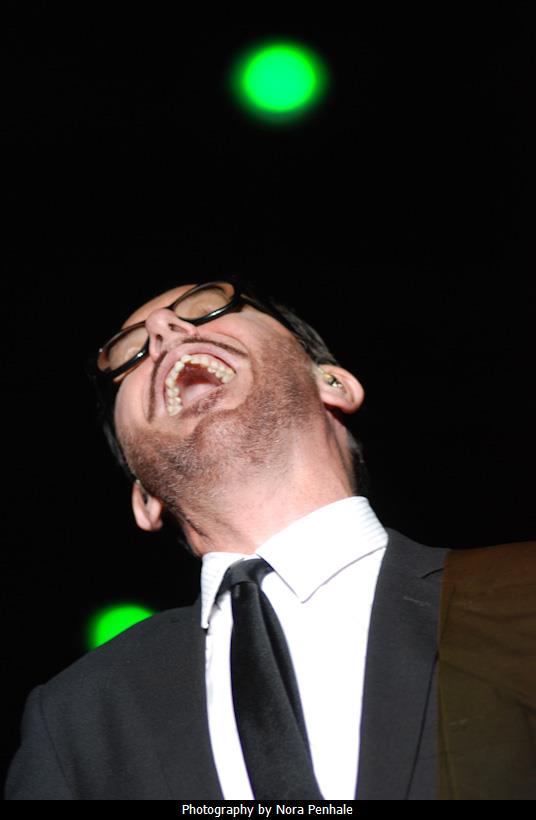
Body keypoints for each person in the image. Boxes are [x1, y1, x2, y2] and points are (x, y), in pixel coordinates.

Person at [5, 278, 535, 801]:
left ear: (334, 384)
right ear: (145, 497)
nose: (163, 328)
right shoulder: (76, 718)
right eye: (130, 353)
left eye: (208, 307)